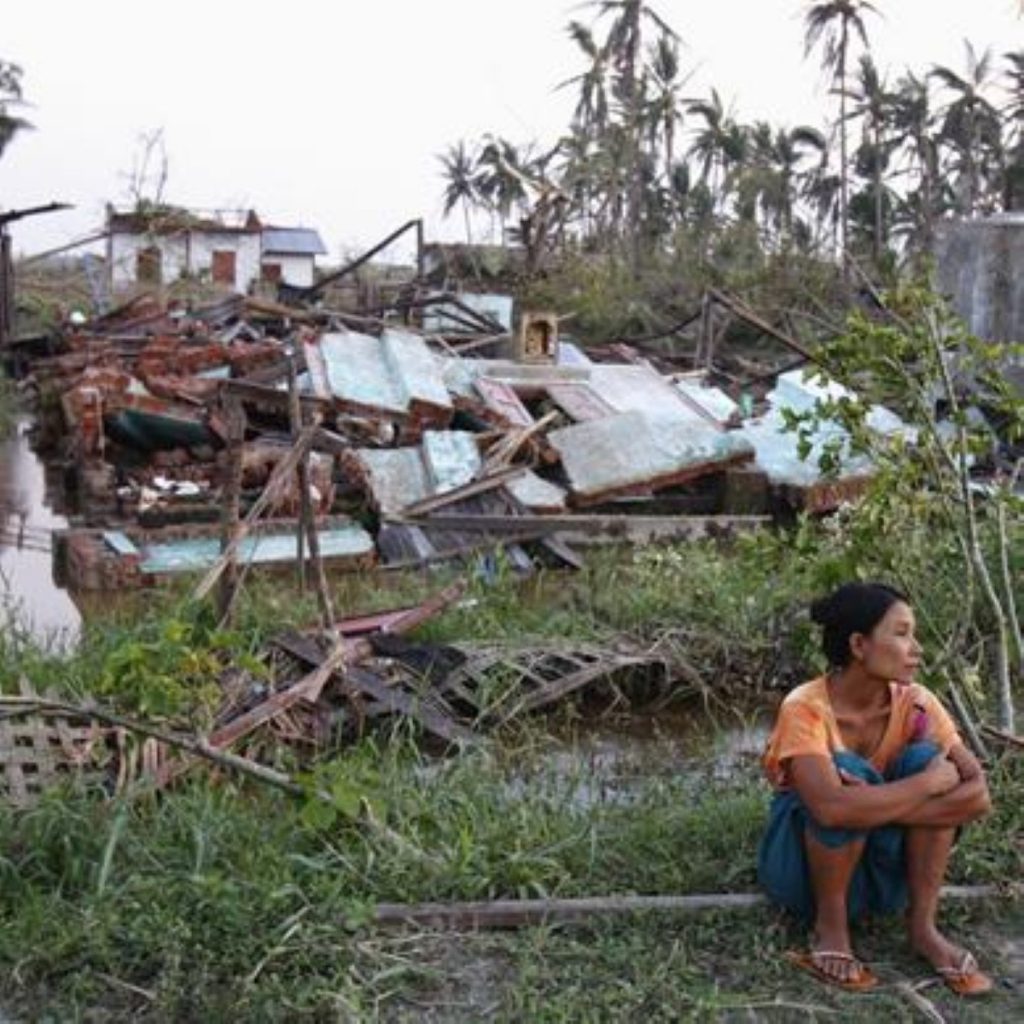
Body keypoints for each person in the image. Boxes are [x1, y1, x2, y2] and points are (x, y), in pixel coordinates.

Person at [758, 582, 994, 995]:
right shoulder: (805, 708)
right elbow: (831, 812)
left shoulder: (918, 703)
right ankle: (830, 930)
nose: (916, 648)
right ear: (859, 645)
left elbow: (978, 795)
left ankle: (923, 928)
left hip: (884, 874)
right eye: (901, 634)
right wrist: (923, 787)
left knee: (915, 760)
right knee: (856, 769)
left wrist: (861, 804)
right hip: (803, 876)